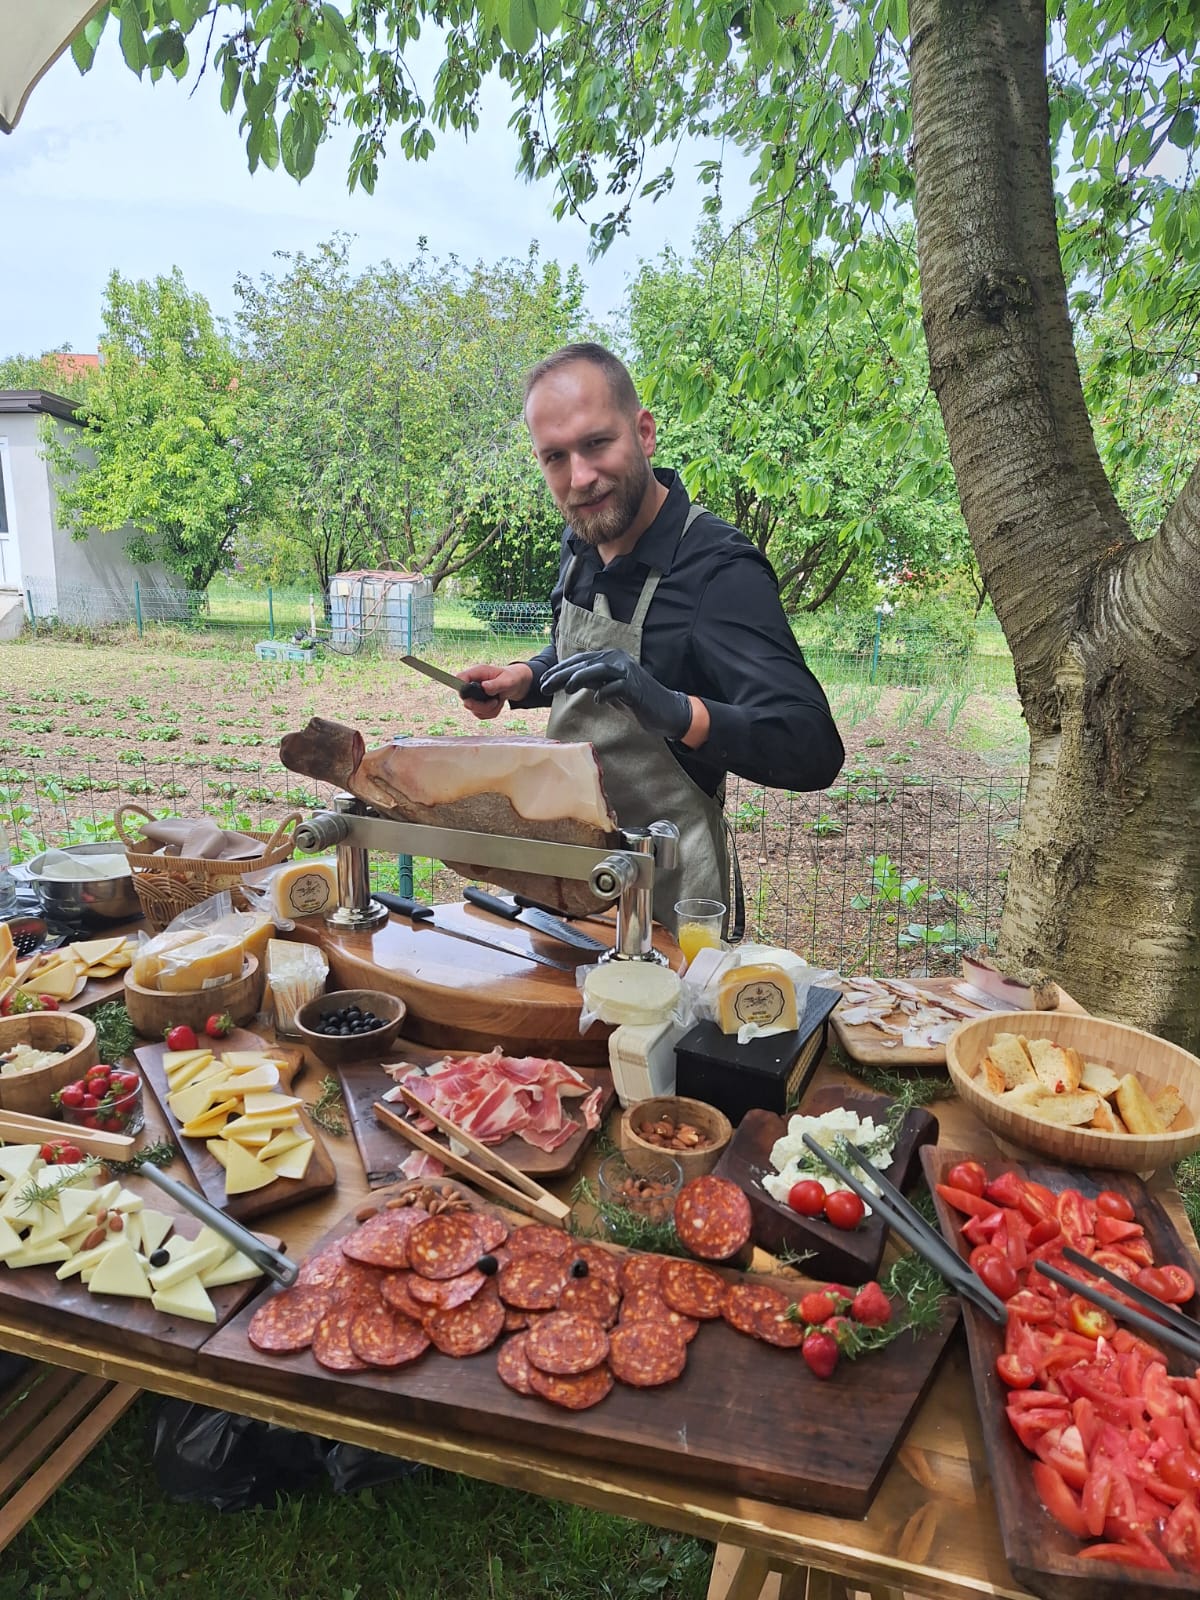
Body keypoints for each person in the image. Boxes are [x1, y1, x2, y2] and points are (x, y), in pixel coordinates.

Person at [459, 342, 844, 928]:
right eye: (555, 457)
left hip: (669, 907)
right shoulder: (580, 543)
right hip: (566, 888)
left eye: (596, 444)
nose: (580, 478)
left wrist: (673, 710)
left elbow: (812, 746)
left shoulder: (718, 570)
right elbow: (575, 656)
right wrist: (526, 678)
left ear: (643, 433)